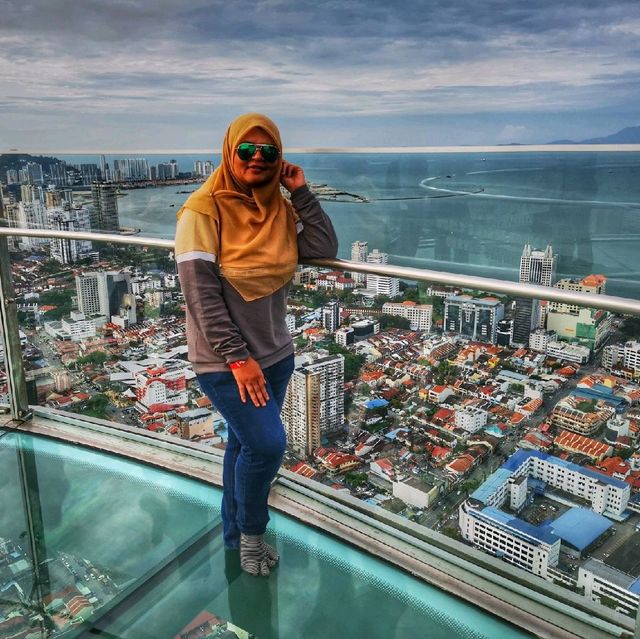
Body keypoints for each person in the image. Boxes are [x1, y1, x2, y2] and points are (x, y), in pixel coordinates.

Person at [175, 113, 338, 576]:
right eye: (247, 150)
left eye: (269, 152)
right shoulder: (201, 210)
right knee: (267, 447)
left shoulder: (278, 210)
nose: (259, 159)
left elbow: (323, 243)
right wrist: (238, 358)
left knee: (242, 446)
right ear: (230, 153)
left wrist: (300, 192)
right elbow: (199, 292)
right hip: (227, 362)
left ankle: (231, 532)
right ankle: (251, 536)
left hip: (276, 355)